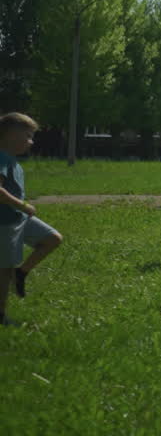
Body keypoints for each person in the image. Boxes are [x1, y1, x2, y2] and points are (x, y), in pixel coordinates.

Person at [0, 113, 63, 326]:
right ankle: (1, 316)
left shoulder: (13, 161)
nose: (31, 141)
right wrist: (23, 206)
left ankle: (22, 272)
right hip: (5, 222)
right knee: (4, 269)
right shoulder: (1, 158)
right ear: (10, 135)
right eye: (27, 136)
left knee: (52, 239)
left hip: (19, 219)